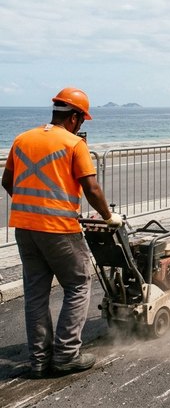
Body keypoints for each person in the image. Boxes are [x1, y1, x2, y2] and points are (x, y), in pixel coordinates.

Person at [1, 87, 123, 379]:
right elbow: (91, 187)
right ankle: (67, 354)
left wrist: (34, 205)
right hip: (59, 229)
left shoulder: (22, 139)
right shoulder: (73, 144)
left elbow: (8, 181)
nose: (81, 126)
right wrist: (109, 217)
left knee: (35, 293)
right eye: (81, 120)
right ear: (75, 118)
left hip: (25, 228)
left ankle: (39, 361)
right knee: (79, 283)